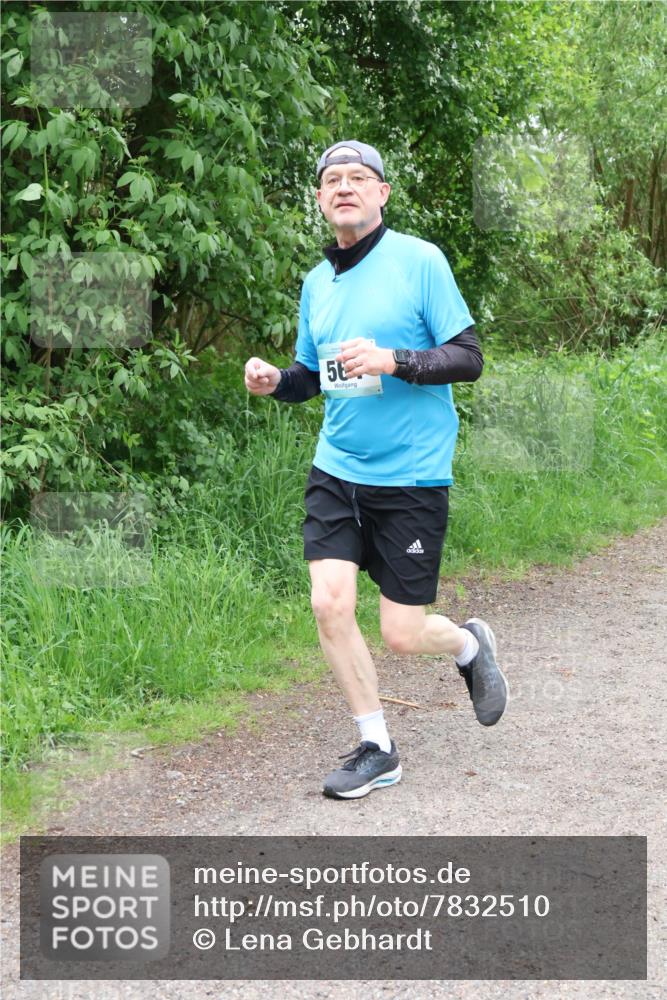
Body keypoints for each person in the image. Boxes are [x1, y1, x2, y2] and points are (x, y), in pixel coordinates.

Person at [244, 140, 508, 800]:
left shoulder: (419, 262)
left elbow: (468, 358)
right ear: (318, 199)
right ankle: (377, 745)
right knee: (327, 602)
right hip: (337, 470)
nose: (344, 188)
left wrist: (395, 360)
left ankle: (468, 647)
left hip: (411, 477)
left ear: (381, 193)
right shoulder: (316, 283)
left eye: (358, 178)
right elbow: (312, 377)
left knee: (400, 631)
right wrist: (276, 380)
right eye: (331, 180)